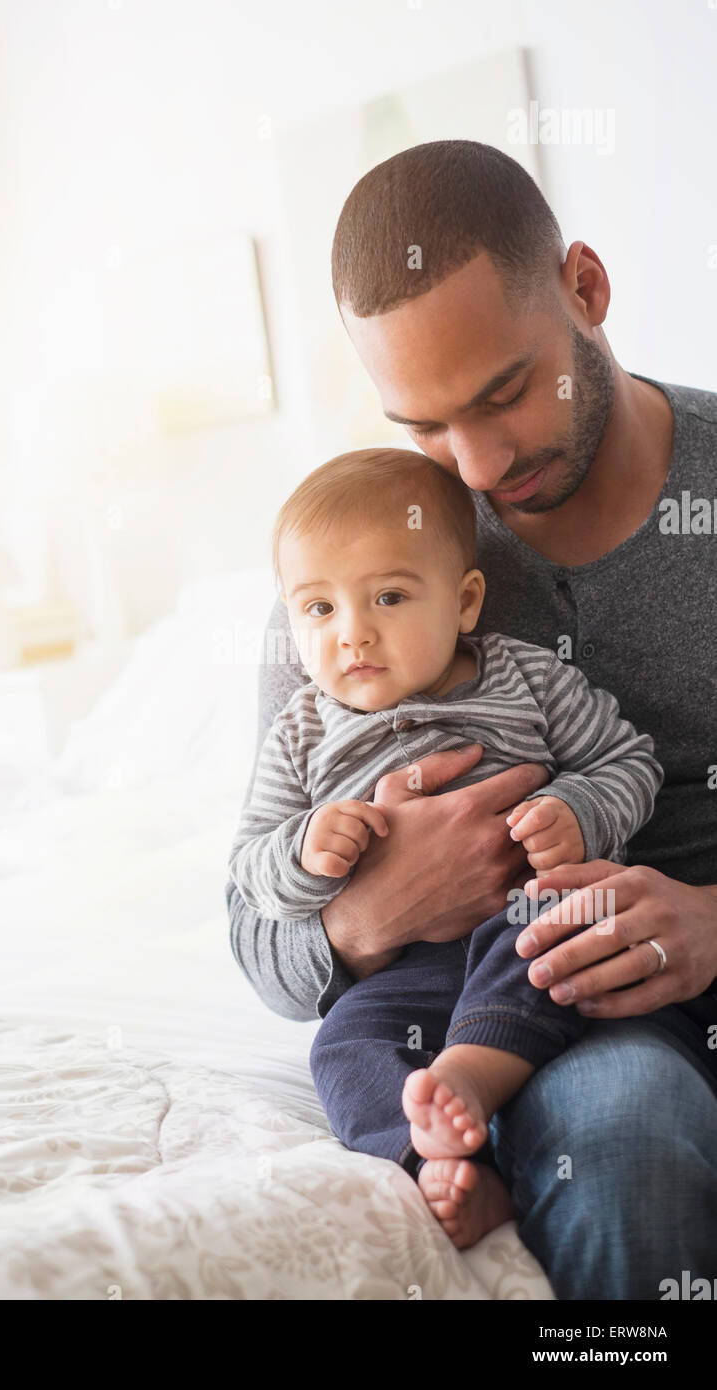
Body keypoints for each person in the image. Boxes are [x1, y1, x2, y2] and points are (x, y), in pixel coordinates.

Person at [226, 139, 717, 1299]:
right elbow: (253, 932)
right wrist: (361, 920)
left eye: (504, 394)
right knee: (609, 1129)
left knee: (622, 1120)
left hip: (652, 979)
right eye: (426, 427)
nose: (479, 466)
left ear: (584, 289)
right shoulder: (361, 570)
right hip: (476, 1012)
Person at [228, 447, 667, 1248]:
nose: (352, 634)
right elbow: (250, 871)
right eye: (318, 610)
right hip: (408, 973)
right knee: (343, 1046)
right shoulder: (301, 732)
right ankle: (430, 1164)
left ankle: (470, 1072)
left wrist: (576, 807)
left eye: (388, 597)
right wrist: (303, 852)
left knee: (553, 930)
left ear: (465, 602)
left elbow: (628, 760)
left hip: (525, 921)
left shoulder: (526, 677)